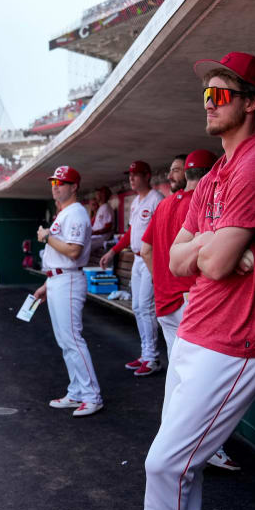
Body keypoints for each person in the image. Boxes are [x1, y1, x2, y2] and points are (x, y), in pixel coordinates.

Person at [69, 51, 255, 510]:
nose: (209, 103)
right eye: (206, 94)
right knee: (179, 464)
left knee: (167, 461)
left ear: (251, 103)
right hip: (197, 330)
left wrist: (212, 252)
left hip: (238, 341)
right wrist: (209, 249)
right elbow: (175, 258)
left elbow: (212, 264)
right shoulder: (217, 172)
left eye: (220, 94)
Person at [140, 150, 247, 473]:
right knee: (196, 380)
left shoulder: (163, 205)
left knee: (178, 376)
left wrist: (162, 280)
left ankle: (171, 444)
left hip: (165, 301)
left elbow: (145, 250)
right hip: (190, 300)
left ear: (185, 175)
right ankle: (206, 447)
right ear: (212, 171)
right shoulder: (201, 202)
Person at [34, 166, 102, 418]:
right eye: (54, 182)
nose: (56, 186)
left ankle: (92, 396)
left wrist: (45, 237)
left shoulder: (76, 213)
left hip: (69, 279)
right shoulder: (67, 212)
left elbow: (73, 251)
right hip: (58, 279)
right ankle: (77, 391)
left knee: (72, 339)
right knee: (66, 341)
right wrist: (47, 283)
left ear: (74, 186)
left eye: (61, 183)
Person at [100, 161, 164, 377]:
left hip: (150, 258)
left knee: (145, 307)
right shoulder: (137, 201)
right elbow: (129, 233)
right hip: (137, 258)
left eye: (136, 175)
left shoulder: (157, 199)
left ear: (148, 176)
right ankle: (146, 354)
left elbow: (162, 233)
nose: (132, 178)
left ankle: (152, 357)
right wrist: (112, 252)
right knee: (137, 306)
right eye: (130, 175)